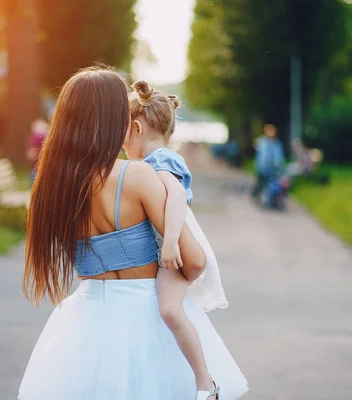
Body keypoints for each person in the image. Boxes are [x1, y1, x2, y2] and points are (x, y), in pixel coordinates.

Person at [18, 67, 248, 400]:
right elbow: (193, 260)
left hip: (85, 321)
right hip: (147, 319)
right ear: (116, 121)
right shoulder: (138, 176)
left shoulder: (52, 186)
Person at [123, 80, 230, 398]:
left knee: (170, 311)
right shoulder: (153, 160)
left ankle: (205, 382)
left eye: (122, 131)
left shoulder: (160, 162)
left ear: (137, 129)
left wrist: (170, 242)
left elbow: (177, 196)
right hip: (166, 248)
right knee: (161, 315)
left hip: (176, 251)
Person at [251, 124, 284, 199]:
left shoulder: (277, 143)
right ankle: (255, 195)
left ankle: (268, 199)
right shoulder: (262, 141)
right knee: (260, 182)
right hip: (262, 167)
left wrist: (279, 165)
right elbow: (259, 153)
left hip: (273, 168)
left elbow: (278, 156)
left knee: (270, 183)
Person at [26, 118, 48, 184]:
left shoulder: (35, 137)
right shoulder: (46, 135)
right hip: (45, 169)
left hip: (36, 170)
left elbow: (31, 154)